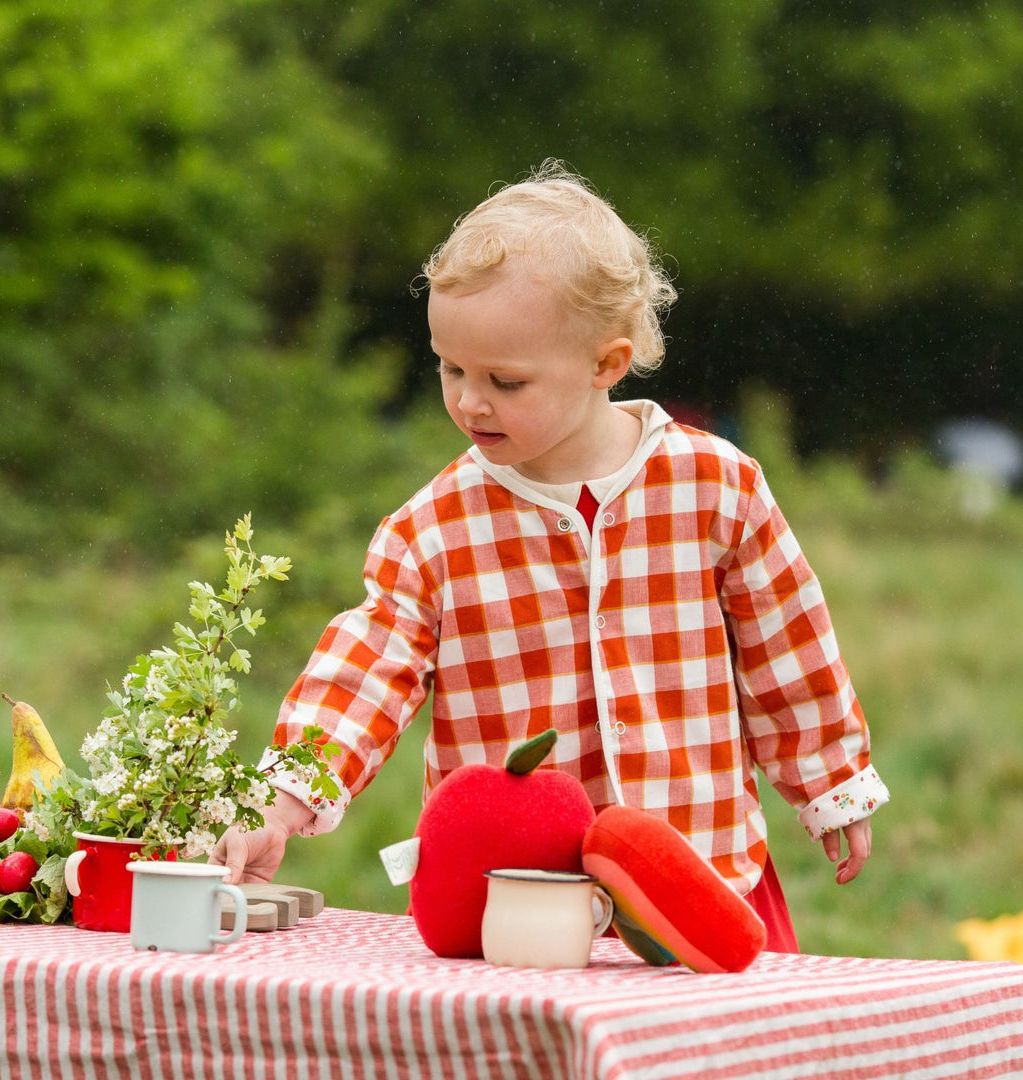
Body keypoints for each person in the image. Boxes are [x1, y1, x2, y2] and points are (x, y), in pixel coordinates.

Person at [211, 161, 889, 951]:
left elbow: (788, 644)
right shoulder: (433, 527)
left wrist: (831, 780)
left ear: (606, 364)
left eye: (505, 380)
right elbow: (366, 670)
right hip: (517, 896)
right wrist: (284, 799)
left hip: (700, 871)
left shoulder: (716, 485)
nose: (469, 400)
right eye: (450, 368)